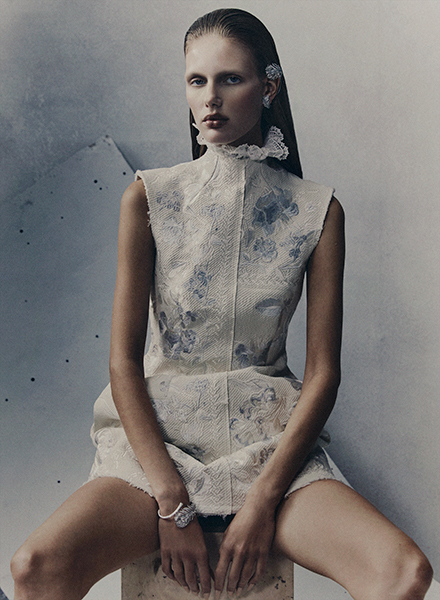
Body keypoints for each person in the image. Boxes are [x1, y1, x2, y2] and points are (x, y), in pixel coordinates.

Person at [11, 8, 433, 600]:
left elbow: (323, 374)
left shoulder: (319, 211)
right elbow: (123, 363)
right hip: (159, 450)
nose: (210, 98)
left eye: (231, 79)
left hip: (269, 447)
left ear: (269, 87)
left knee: (404, 572)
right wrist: (172, 503)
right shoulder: (148, 197)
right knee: (34, 566)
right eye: (197, 80)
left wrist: (263, 501)